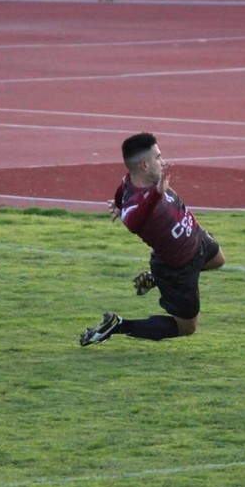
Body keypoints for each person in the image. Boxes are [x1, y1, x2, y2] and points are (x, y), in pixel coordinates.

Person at [80, 132, 225, 346]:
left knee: (219, 260)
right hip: (178, 268)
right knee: (187, 327)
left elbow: (122, 189)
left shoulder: (130, 182)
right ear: (145, 165)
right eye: (158, 157)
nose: (163, 162)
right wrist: (156, 192)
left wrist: (118, 205)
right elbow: (138, 215)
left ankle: (155, 280)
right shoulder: (135, 211)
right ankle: (118, 325)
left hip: (196, 237)